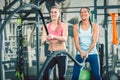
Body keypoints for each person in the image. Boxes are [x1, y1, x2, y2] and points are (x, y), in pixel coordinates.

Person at [71, 7, 102, 80]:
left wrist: (87, 52)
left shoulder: (95, 26)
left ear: (89, 14)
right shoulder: (76, 26)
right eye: (81, 12)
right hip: (80, 53)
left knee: (97, 76)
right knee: (75, 76)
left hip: (92, 53)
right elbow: (76, 41)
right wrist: (81, 52)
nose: (83, 14)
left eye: (85, 12)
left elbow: (94, 41)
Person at [41, 6, 68, 80]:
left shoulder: (64, 25)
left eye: (55, 12)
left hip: (62, 54)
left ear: (59, 14)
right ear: (50, 14)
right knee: (45, 75)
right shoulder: (46, 26)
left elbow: (64, 39)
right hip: (51, 54)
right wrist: (45, 39)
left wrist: (53, 36)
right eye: (52, 12)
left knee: (61, 77)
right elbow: (43, 40)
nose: (53, 14)